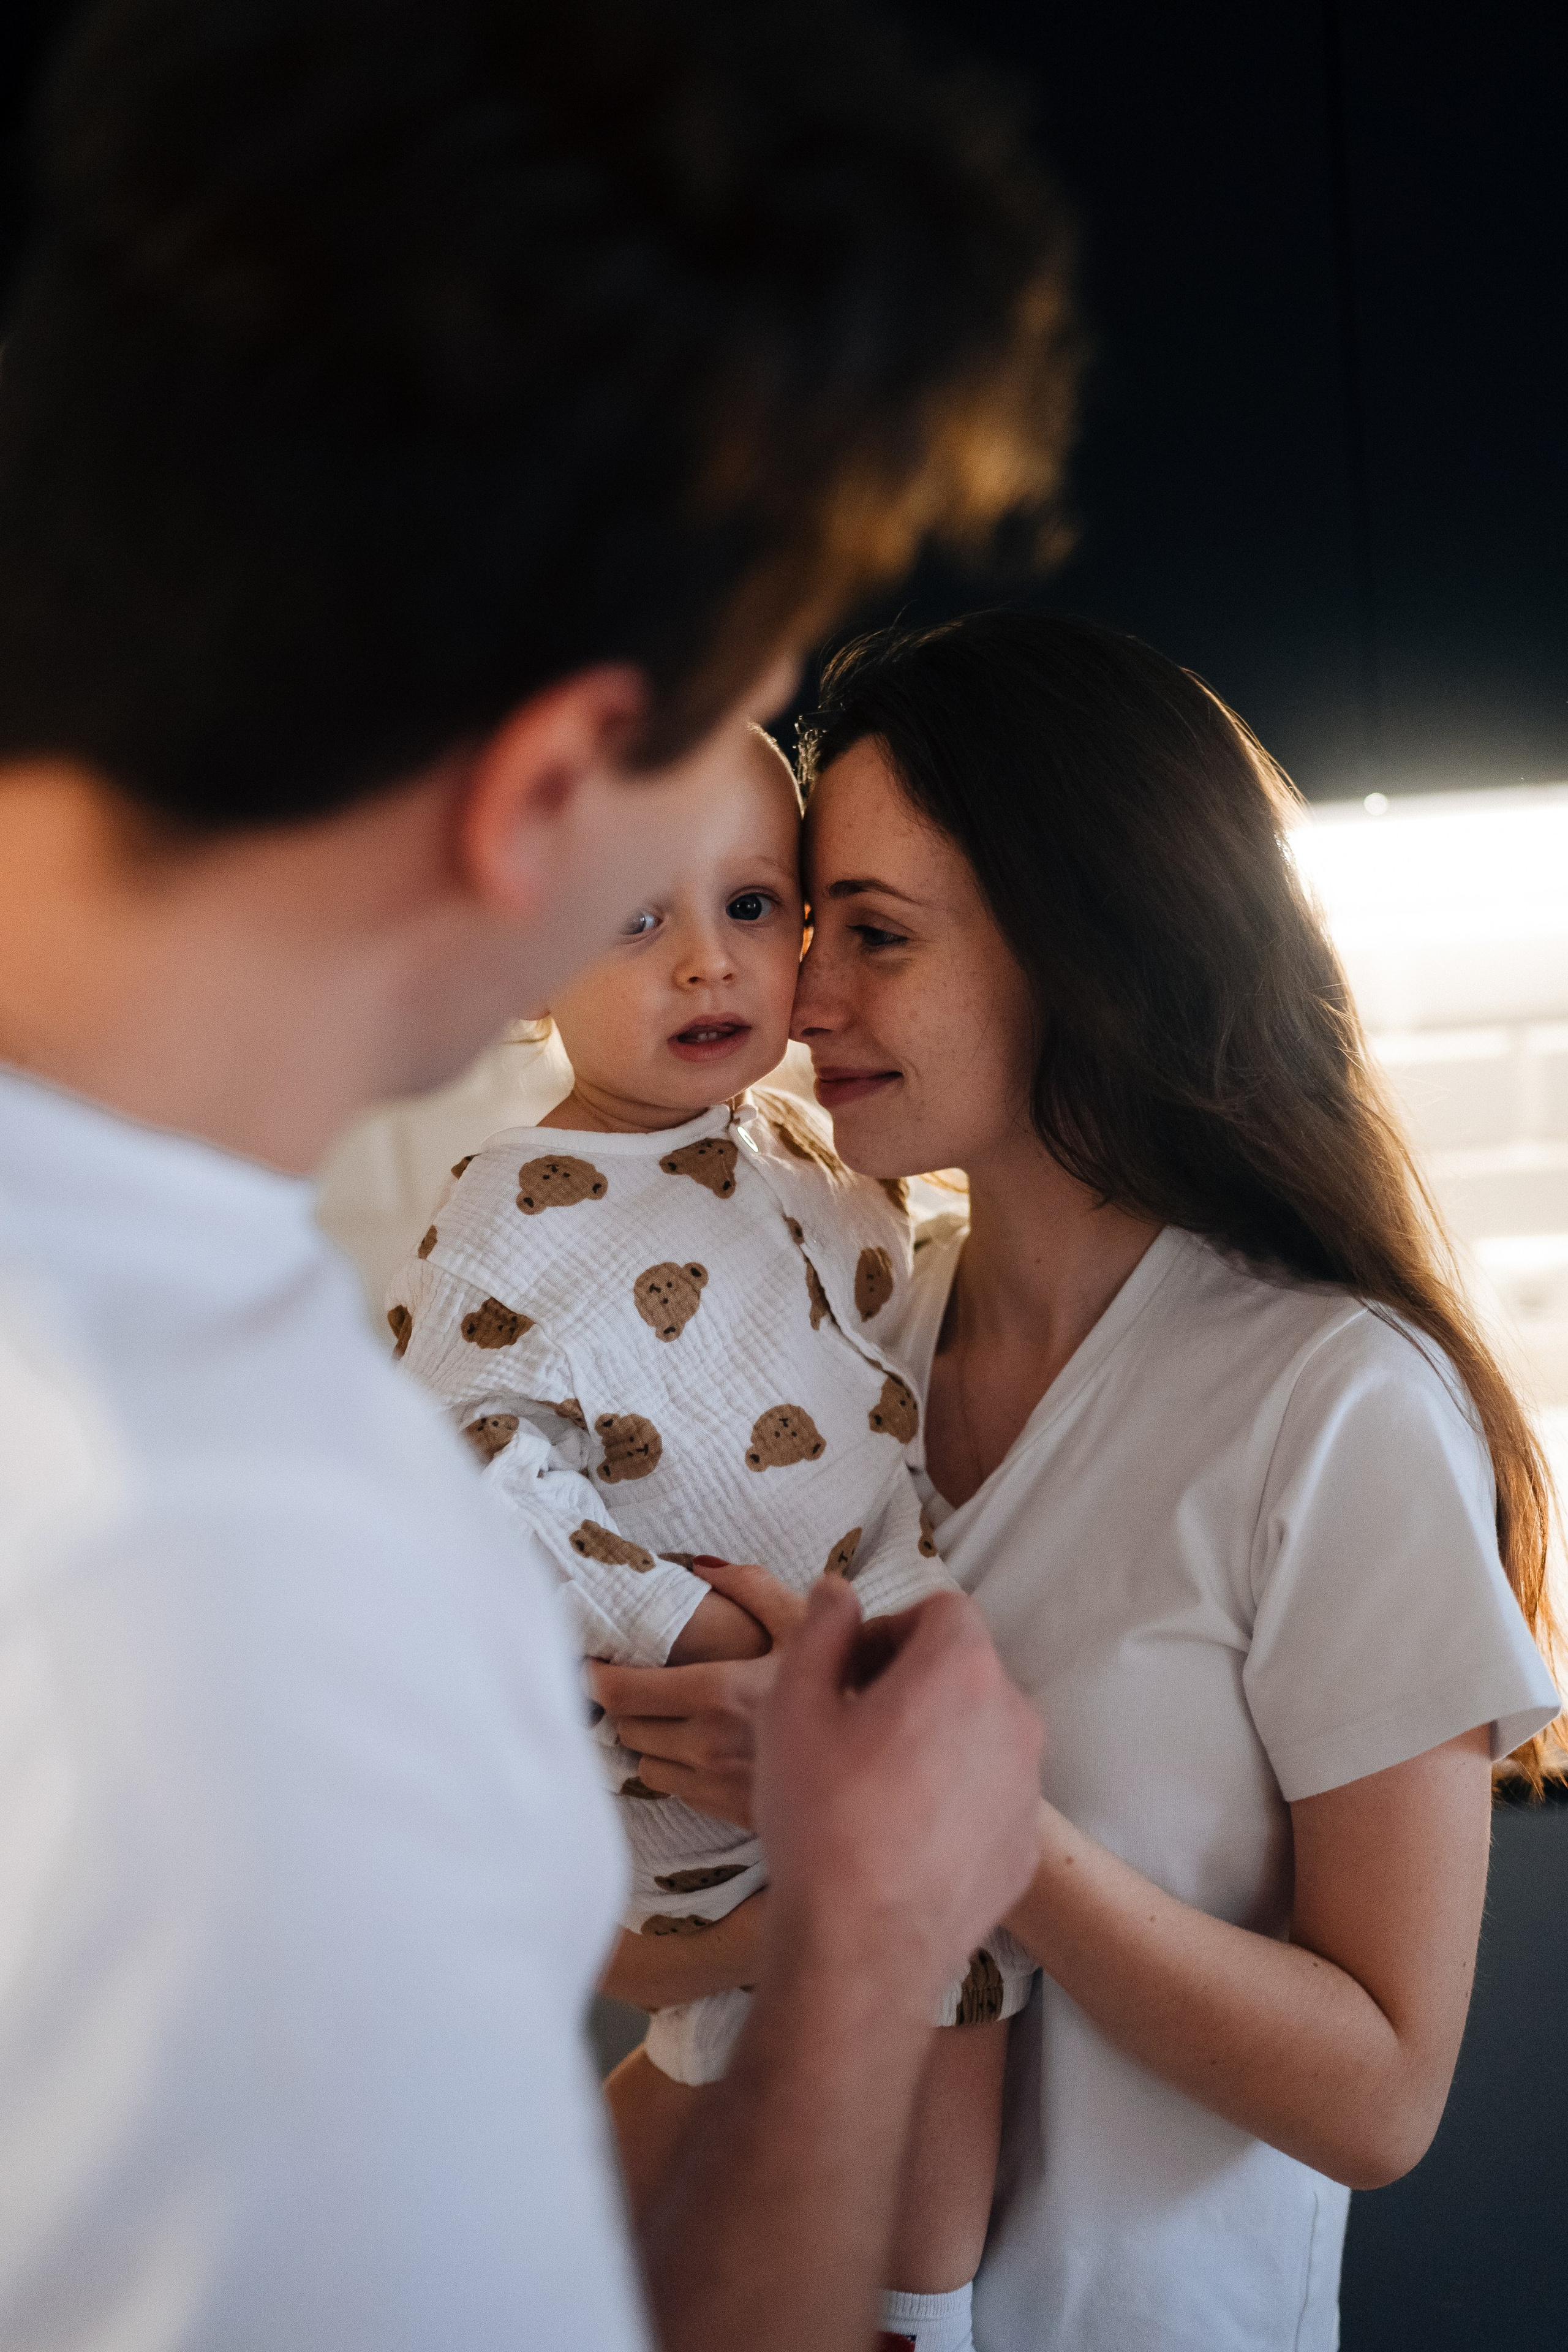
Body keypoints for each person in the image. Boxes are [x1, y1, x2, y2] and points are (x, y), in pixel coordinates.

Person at [0, 4, 1077, 2342]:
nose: (765, 949)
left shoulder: (199, 1367)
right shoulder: (214, 1574)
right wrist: (870, 1933)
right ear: (556, 789)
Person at [589, 610, 1564, 2351]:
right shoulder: (830, 1344)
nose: (804, 1001)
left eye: (877, 936)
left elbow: (1382, 2098)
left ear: (1082, 946)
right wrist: (782, 1859)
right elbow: (624, 1943)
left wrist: (949, 1818)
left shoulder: (1329, 1403)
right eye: (810, 929)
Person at [388, 721, 1033, 2352]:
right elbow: (459, 1486)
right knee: (792, 2023)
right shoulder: (510, 1209)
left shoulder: (804, 1145)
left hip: (853, 1660)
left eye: (751, 906)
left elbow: (871, 1345)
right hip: (689, 1735)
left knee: (954, 1981)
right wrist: (694, 1635)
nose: (706, 961)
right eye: (634, 918)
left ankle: (918, 2314)